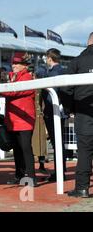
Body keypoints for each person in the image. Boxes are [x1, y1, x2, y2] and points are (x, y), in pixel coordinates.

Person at [63, 32, 93, 198]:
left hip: (84, 115)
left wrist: (69, 109)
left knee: (84, 152)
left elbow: (66, 89)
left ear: (88, 42)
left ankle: (82, 188)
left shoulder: (77, 61)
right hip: (84, 113)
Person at [1, 52, 37, 186]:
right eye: (13, 62)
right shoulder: (13, 77)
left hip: (24, 119)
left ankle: (32, 177)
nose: (14, 65)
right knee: (17, 149)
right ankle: (19, 175)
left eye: (17, 63)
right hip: (14, 119)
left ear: (24, 65)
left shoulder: (27, 77)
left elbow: (14, 91)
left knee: (26, 148)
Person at [41, 48, 68, 182]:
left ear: (49, 58)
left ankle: (60, 172)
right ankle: (60, 171)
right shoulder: (62, 71)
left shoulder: (53, 73)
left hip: (53, 112)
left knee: (57, 142)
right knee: (58, 142)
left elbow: (53, 95)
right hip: (58, 112)